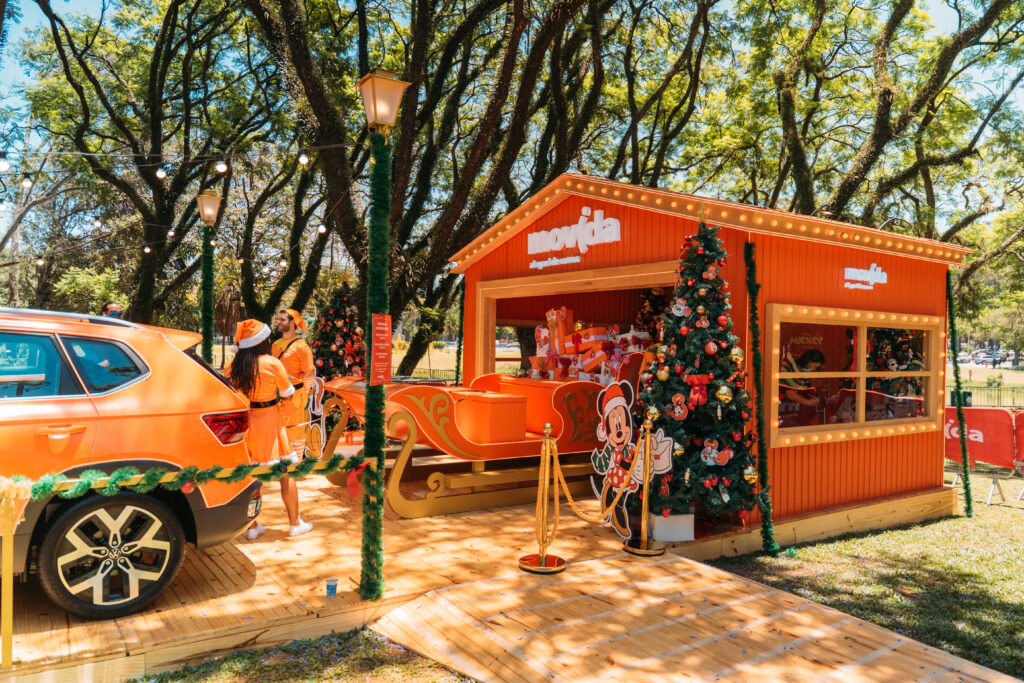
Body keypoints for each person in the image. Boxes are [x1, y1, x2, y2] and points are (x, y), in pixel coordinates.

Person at [225, 319, 313, 540]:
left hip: (245, 424)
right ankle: (294, 524)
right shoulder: (272, 363)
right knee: (287, 473)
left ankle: (252, 527)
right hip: (271, 422)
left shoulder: (233, 364)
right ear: (261, 342)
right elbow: (287, 393)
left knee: (253, 476)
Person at [272, 309, 316, 459]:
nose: (278, 322)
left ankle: (295, 465)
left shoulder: (302, 347)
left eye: (282, 320)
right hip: (276, 395)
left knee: (295, 431)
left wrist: (303, 394)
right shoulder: (275, 344)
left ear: (292, 323)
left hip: (294, 395)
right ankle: (279, 463)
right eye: (278, 319)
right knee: (277, 429)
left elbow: (309, 372)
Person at [779, 349, 825, 427]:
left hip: (800, 416)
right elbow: (790, 393)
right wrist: (810, 402)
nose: (813, 369)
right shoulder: (791, 370)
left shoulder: (806, 374)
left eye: (816, 367)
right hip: (786, 413)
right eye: (812, 366)